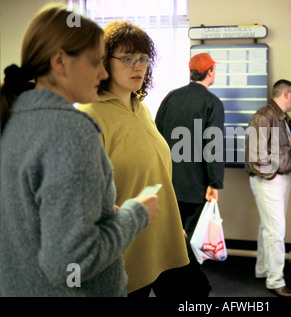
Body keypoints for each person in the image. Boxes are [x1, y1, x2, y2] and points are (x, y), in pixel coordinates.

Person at [0, 5, 159, 297]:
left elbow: (32, 215)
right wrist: (135, 213)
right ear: (60, 62)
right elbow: (70, 262)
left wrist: (97, 208)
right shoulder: (72, 130)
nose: (102, 72)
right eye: (96, 62)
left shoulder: (17, 116)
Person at [77, 21, 189, 297]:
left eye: (143, 59)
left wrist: (172, 222)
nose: (138, 66)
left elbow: (155, 169)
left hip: (163, 238)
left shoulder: (141, 107)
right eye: (127, 58)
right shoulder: (90, 114)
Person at [155, 53, 225, 296]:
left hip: (169, 182)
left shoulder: (170, 98)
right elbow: (213, 145)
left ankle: (169, 285)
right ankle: (196, 289)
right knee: (190, 241)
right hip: (196, 186)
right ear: (210, 72)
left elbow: (157, 137)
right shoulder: (212, 102)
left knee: (172, 237)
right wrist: (214, 182)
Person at [245, 79, 291, 297]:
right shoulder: (263, 116)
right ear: (286, 94)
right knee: (275, 230)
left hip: (280, 177)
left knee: (268, 228)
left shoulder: (282, 118)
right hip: (269, 179)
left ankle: (264, 270)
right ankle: (275, 281)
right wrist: (272, 175)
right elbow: (255, 155)